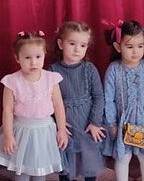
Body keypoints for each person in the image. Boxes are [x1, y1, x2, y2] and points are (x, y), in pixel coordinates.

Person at [0, 30, 68, 181]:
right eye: (27, 57)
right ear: (17, 58)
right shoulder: (12, 81)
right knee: (22, 172)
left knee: (40, 171)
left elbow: (58, 105)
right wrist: (8, 135)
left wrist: (62, 129)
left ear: (44, 55)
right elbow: (7, 110)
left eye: (38, 57)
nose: (33, 62)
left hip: (44, 131)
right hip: (21, 131)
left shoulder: (51, 79)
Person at [102, 20, 144, 181]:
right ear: (118, 47)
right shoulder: (114, 70)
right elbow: (108, 99)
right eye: (130, 47)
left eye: (140, 46)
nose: (136, 51)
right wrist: (112, 123)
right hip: (123, 121)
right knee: (123, 157)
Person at [50, 21, 105, 181]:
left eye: (83, 45)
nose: (77, 49)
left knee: (89, 161)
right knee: (66, 159)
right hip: (66, 125)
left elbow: (99, 96)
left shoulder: (89, 69)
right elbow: (48, 101)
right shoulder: (53, 71)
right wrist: (57, 123)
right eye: (72, 43)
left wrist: (95, 122)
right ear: (61, 44)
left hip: (86, 123)